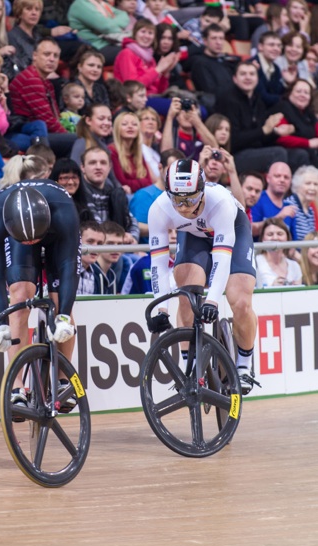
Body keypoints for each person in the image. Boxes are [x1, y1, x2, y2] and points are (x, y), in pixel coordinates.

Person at [147, 158, 258, 394]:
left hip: (233, 232)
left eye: (191, 198)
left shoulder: (221, 204)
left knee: (240, 300)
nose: (185, 206)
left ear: (202, 189)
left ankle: (244, 364)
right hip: (193, 235)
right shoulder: (158, 209)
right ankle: (191, 361)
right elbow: (158, 265)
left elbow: (222, 258)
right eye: (177, 199)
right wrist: (162, 309)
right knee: (186, 296)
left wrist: (212, 300)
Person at [0, 181, 81, 411]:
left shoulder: (64, 209)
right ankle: (17, 387)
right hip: (18, 233)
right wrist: (0, 322)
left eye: (35, 238)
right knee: (20, 295)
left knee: (59, 302)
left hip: (55, 229)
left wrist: (64, 316)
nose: (33, 242)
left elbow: (69, 266)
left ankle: (62, 380)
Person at [214, 61, 292, 174]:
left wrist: (275, 132)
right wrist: (263, 130)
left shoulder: (257, 99)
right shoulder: (228, 99)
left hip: (253, 151)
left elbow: (260, 137)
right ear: (235, 79)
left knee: (297, 154)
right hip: (232, 155)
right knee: (278, 153)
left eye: (252, 74)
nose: (248, 77)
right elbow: (233, 140)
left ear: (257, 79)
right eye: (243, 74)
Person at [9, 37, 77, 158]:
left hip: (38, 132)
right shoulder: (31, 79)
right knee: (78, 142)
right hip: (24, 133)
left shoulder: (46, 82)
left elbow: (54, 118)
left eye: (55, 56)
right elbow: (48, 121)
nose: (51, 59)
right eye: (47, 54)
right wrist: (67, 135)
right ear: (34, 56)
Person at [80, 146, 139, 242]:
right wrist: (119, 237)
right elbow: (96, 225)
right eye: (92, 163)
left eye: (103, 163)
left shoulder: (114, 191)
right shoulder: (80, 192)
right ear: (82, 167)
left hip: (116, 246)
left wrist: (133, 238)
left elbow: (132, 220)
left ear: (109, 167)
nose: (98, 167)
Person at [113, 18, 177, 99]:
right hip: (133, 100)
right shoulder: (127, 53)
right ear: (135, 33)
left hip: (152, 98)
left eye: (150, 33)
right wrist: (157, 70)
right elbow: (133, 87)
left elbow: (159, 91)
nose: (146, 36)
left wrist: (165, 73)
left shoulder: (150, 58)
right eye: (143, 32)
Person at [129, 147, 183, 244]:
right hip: (150, 251)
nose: (177, 175)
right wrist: (166, 227)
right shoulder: (144, 196)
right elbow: (136, 227)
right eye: (172, 170)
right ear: (160, 167)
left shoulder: (187, 196)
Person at [8, 0, 80, 71]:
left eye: (37, 9)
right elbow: (20, 65)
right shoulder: (12, 36)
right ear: (19, 13)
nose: (34, 13)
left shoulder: (38, 35)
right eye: (29, 9)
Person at [268, 79, 318, 169]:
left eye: (306, 93)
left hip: (306, 150)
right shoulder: (282, 108)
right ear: (290, 93)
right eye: (298, 91)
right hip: (282, 150)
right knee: (302, 154)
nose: (302, 95)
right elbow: (281, 138)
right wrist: (308, 143)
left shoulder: (309, 113)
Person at [68, 0, 130, 66]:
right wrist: (112, 25)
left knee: (136, 48)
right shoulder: (80, 4)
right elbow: (107, 27)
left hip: (109, 43)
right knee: (132, 51)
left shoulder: (100, 3)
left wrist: (110, 23)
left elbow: (123, 15)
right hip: (95, 48)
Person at [189, 24, 239, 101]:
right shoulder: (200, 63)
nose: (218, 42)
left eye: (221, 38)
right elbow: (210, 91)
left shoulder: (227, 60)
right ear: (205, 41)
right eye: (214, 38)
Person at [160, 96, 218, 162]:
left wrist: (197, 122)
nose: (187, 114)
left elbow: (215, 147)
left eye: (190, 110)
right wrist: (170, 117)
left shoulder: (201, 137)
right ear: (177, 116)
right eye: (183, 110)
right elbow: (165, 155)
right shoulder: (171, 135)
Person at [108, 110, 152, 194]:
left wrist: (136, 184)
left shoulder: (138, 153)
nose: (130, 127)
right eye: (124, 124)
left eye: (134, 124)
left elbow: (149, 182)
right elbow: (122, 183)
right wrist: (142, 182)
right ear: (117, 128)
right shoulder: (112, 151)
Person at [251, 161, 296, 239]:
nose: (282, 180)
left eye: (286, 177)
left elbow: (293, 242)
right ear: (268, 178)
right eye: (277, 176)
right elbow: (249, 230)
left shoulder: (289, 207)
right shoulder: (256, 199)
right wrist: (279, 217)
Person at [255, 217, 302, 288]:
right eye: (270, 234)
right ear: (262, 238)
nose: (275, 238)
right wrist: (271, 287)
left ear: (287, 238)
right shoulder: (254, 263)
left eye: (280, 234)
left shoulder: (295, 266)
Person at [49, 158, 92, 222]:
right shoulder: (49, 207)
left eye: (74, 177)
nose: (70, 182)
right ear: (55, 180)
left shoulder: (84, 208)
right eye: (65, 178)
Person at [284, 165, 318, 241]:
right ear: (297, 185)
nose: (312, 188)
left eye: (316, 184)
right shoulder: (289, 205)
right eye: (308, 183)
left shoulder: (310, 210)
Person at [251, 31, 285, 108]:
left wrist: (288, 83)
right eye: (271, 45)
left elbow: (278, 92)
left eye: (279, 46)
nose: (276, 49)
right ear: (260, 46)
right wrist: (288, 99)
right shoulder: (251, 65)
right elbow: (262, 97)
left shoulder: (276, 68)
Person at [70, 47, 110, 112]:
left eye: (99, 67)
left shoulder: (101, 89)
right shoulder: (70, 88)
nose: (95, 70)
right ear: (80, 67)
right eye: (91, 65)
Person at [91, 220, 125, 294]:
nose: (116, 249)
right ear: (99, 244)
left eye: (119, 244)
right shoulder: (90, 271)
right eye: (110, 243)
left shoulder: (112, 275)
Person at [77, 220, 105, 295]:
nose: (95, 247)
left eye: (99, 243)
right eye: (90, 241)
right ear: (77, 241)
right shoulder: (63, 270)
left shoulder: (99, 275)